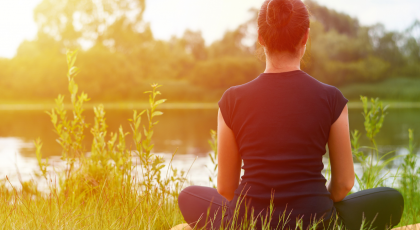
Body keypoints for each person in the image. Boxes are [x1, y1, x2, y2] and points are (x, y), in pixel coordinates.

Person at [176, 0, 404, 229]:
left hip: (246, 223)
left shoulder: (231, 100)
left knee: (189, 196)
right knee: (391, 199)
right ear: (305, 37)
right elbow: (344, 184)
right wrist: (315, 205)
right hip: (317, 222)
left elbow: (225, 189)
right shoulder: (331, 98)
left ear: (260, 38)